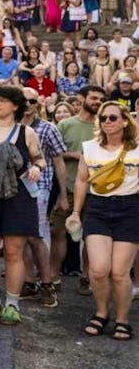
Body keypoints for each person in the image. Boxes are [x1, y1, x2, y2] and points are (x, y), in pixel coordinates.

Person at [0, 86, 46, 326]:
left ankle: (12, 304)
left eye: (2, 101)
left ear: (15, 105)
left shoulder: (26, 132)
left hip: (18, 197)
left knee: (15, 253)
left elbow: (39, 159)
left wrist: (36, 168)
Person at [67, 101, 139, 340]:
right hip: (97, 208)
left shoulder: (137, 148)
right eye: (103, 118)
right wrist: (76, 212)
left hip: (130, 208)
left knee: (119, 272)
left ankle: (122, 319)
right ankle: (101, 313)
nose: (107, 122)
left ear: (125, 121)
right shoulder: (89, 148)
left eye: (112, 117)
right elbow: (81, 181)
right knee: (98, 270)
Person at [56, 86, 106, 294]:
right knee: (57, 232)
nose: (97, 102)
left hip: (96, 190)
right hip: (67, 186)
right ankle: (53, 277)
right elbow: (55, 153)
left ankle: (85, 278)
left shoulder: (104, 126)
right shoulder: (66, 124)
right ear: (81, 98)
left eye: (101, 99)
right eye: (93, 98)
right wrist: (76, 155)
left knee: (90, 237)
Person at [20, 87, 67, 309]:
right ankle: (29, 282)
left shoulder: (48, 129)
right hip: (13, 190)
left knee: (36, 236)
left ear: (37, 104)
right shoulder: (10, 127)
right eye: (23, 100)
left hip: (40, 188)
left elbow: (59, 163)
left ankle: (47, 284)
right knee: (18, 238)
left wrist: (63, 195)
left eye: (32, 100)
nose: (27, 104)